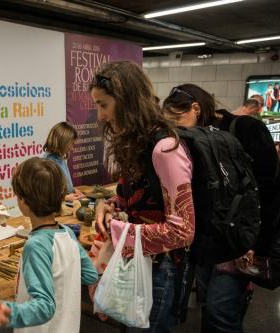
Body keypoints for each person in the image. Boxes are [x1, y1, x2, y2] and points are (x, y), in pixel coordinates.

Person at [163, 83, 280, 333]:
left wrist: (255, 244)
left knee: (221, 311)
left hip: (239, 242)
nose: (175, 127)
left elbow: (269, 190)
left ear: (196, 108)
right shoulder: (191, 136)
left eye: (176, 118)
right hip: (208, 242)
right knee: (209, 306)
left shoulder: (247, 128)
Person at [91, 61, 195, 333]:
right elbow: (135, 198)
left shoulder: (164, 149)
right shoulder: (136, 142)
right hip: (139, 265)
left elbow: (183, 231)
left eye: (104, 105)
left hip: (160, 270)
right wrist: (108, 205)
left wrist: (118, 230)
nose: (100, 116)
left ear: (126, 101)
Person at [0, 157, 98, 333]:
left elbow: (45, 306)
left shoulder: (36, 245)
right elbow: (90, 274)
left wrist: (8, 312)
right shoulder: (67, 233)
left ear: (23, 201)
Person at [42, 122, 85, 202]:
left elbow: (64, 185)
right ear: (62, 141)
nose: (72, 148)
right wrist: (65, 198)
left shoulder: (59, 158)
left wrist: (73, 190)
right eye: (71, 144)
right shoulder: (48, 163)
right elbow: (46, 196)